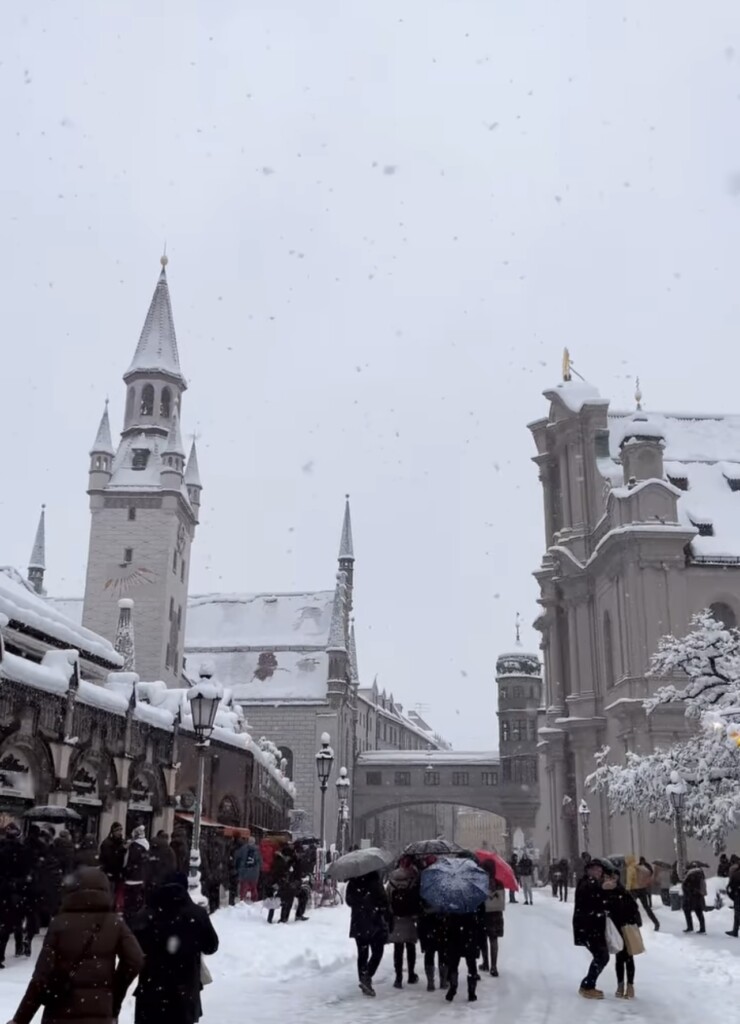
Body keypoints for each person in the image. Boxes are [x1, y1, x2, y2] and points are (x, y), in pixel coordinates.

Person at [10, 867, 143, 1024]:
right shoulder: (115, 924)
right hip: (100, 1013)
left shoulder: (59, 924)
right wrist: (114, 993)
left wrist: (20, 1019)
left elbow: (41, 978)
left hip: (59, 1013)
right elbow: (135, 960)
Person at [132, 872, 219, 1024]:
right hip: (185, 991)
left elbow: (133, 950)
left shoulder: (146, 915)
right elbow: (211, 946)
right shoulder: (197, 914)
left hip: (151, 992)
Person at [346, 870, 391, 997]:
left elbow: (349, 901)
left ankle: (363, 977)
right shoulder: (375, 882)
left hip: (358, 922)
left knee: (362, 952)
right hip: (374, 922)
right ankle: (367, 976)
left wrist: (360, 901)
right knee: (377, 952)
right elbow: (384, 901)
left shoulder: (353, 882)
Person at [602, 865, 642, 999]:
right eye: (609, 877)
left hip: (626, 927)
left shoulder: (622, 891)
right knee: (619, 957)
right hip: (614, 929)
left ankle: (630, 985)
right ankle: (620, 984)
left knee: (629, 957)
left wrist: (630, 920)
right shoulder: (603, 892)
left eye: (614, 876)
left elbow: (633, 907)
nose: (612, 879)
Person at [573, 857, 610, 999]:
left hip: (593, 927)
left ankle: (587, 984)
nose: (599, 872)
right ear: (589, 870)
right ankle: (587, 986)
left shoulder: (593, 883)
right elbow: (593, 901)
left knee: (601, 956)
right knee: (602, 956)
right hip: (589, 928)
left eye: (600, 870)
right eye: (596, 869)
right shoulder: (588, 884)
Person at [0, 823, 33, 967]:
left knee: (5, 923)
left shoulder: (2, 850)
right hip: (16, 892)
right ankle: (8, 951)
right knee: (10, 923)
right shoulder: (23, 852)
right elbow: (27, 873)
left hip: (3, 889)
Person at [386, 857, 421, 988]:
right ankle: (411, 974)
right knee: (410, 947)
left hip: (397, 918)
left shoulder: (392, 882)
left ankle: (398, 977)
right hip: (410, 918)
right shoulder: (413, 880)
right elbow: (417, 900)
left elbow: (387, 900)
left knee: (398, 948)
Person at [440, 911, 481, 1003]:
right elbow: (480, 920)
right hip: (469, 934)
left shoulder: (453, 905)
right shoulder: (473, 902)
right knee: (471, 965)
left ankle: (453, 986)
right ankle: (471, 992)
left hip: (455, 935)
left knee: (454, 964)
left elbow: (447, 923)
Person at [479, 868, 505, 977]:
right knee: (494, 939)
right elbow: (502, 899)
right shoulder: (499, 883)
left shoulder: (481, 882)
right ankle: (494, 966)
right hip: (497, 914)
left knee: (483, 939)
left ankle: (485, 963)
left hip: (485, 914)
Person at [123, 825, 150, 923]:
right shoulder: (146, 846)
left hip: (131, 878)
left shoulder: (133, 846)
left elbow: (126, 862)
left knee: (129, 904)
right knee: (138, 903)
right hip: (141, 878)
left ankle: (129, 921)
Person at [625, 855, 659, 931]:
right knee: (646, 907)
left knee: (631, 907)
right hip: (642, 889)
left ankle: (634, 923)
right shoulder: (639, 867)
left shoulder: (630, 868)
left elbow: (629, 880)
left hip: (634, 890)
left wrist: (627, 890)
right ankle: (656, 922)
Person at [100, 822, 126, 912]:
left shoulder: (121, 842)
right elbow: (109, 859)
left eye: (120, 830)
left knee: (116, 895)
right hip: (110, 873)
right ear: (112, 831)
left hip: (118, 874)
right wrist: (120, 851)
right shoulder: (107, 843)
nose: (119, 832)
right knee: (110, 894)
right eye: (117, 830)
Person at [146, 831, 177, 900]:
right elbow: (172, 867)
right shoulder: (169, 851)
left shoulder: (152, 848)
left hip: (150, 881)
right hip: (163, 881)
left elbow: (147, 864)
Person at [682, 862, 707, 933]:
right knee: (699, 912)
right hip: (698, 896)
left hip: (690, 897)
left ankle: (690, 927)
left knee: (687, 911)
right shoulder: (700, 874)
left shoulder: (690, 875)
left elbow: (686, 886)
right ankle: (702, 928)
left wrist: (687, 893)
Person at [235, 836, 262, 903]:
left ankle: (242, 900)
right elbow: (260, 861)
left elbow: (237, 856)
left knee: (243, 887)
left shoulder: (243, 848)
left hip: (245, 871)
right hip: (254, 872)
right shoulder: (258, 850)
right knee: (254, 887)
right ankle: (254, 900)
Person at [725, 856, 740, 937]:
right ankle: (735, 931)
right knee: (737, 913)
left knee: (737, 913)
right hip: (737, 893)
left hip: (738, 894)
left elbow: (732, 883)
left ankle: (735, 931)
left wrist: (731, 893)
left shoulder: (735, 871)